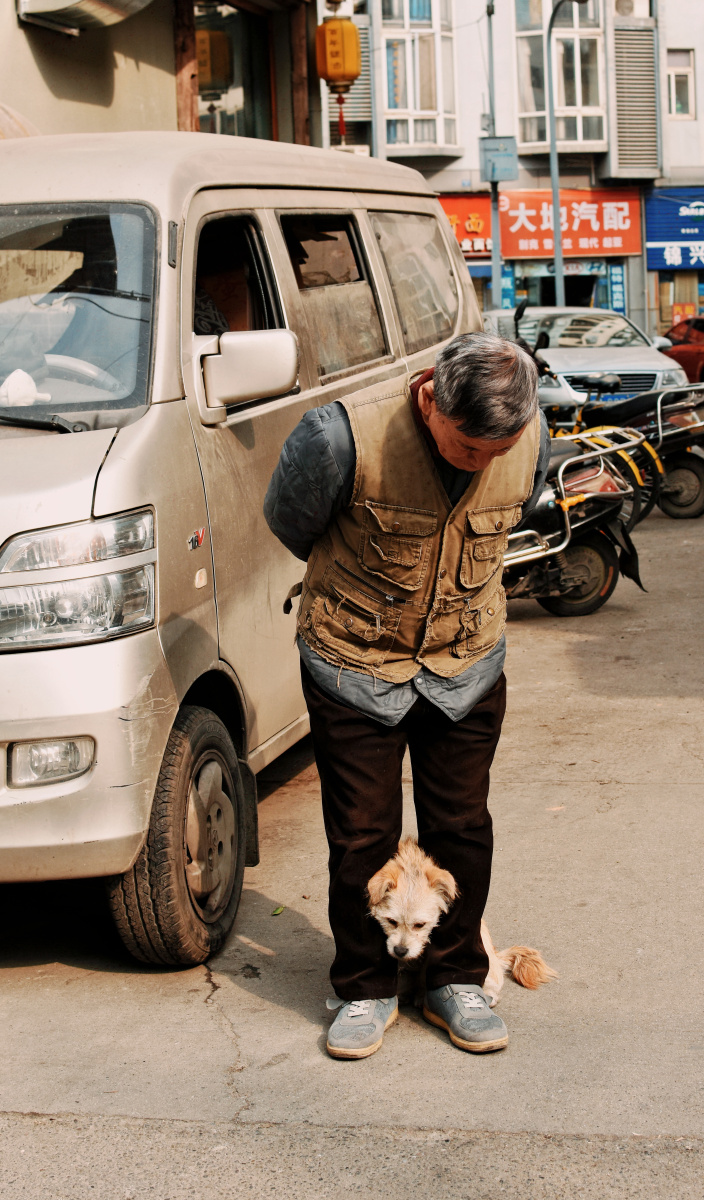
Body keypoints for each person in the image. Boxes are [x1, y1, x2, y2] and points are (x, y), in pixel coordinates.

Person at [264, 331, 550, 1059]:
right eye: (465, 448)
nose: (484, 463)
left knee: (462, 826)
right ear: (429, 396)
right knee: (361, 834)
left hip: (468, 660)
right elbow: (292, 524)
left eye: (498, 449)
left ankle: (457, 976)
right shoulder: (338, 438)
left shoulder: (529, 433)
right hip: (353, 661)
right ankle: (365, 987)